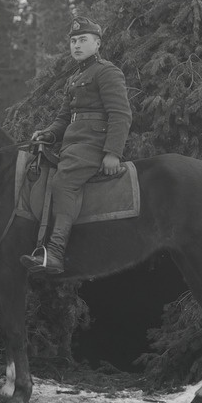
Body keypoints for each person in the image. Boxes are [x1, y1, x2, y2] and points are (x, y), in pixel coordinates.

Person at [20, 16, 132, 274]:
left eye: (83, 40)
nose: (77, 45)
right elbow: (63, 118)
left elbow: (121, 114)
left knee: (63, 182)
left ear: (97, 43)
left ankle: (56, 253)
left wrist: (112, 153)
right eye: (73, 41)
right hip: (72, 146)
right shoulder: (74, 79)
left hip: (93, 145)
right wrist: (48, 134)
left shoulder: (106, 72)